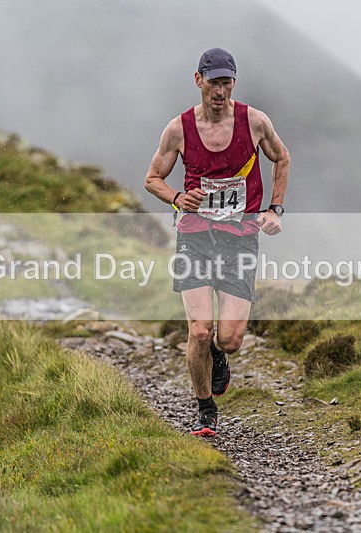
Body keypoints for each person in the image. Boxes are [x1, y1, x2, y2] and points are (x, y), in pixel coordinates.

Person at [145, 48, 290, 436]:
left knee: (229, 339)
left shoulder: (254, 122)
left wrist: (275, 209)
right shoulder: (178, 129)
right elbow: (153, 178)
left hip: (239, 239)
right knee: (198, 329)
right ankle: (205, 409)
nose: (220, 92)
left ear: (234, 83)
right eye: (214, 83)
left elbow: (281, 158)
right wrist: (177, 198)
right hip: (194, 236)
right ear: (199, 81)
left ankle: (216, 354)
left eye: (227, 83)